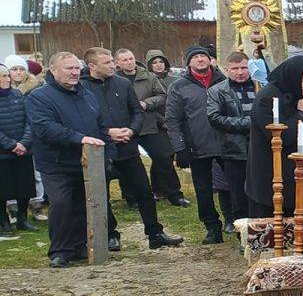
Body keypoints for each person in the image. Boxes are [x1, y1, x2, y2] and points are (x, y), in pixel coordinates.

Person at [82, 46, 183, 251]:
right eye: (107, 62)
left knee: (144, 191)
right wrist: (108, 132)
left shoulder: (122, 84)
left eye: (112, 61)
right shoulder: (82, 88)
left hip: (127, 146)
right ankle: (110, 235)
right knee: (102, 195)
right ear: (92, 66)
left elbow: (137, 112)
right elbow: (83, 118)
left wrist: (131, 130)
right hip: (99, 148)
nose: (112, 65)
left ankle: (155, 233)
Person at [25, 53, 108, 267]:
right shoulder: (39, 97)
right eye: (68, 68)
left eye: (76, 68)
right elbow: (45, 128)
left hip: (86, 162)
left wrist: (108, 150)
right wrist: (79, 139)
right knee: (61, 204)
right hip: (56, 163)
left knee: (83, 204)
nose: (74, 73)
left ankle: (80, 245)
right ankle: (60, 251)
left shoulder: (86, 94)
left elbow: (99, 125)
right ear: (53, 70)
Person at [245, 55, 303, 220]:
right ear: (293, 76)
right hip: (274, 171)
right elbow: (278, 138)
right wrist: (302, 115)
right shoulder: (267, 97)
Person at [165, 45, 231, 244]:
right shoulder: (178, 87)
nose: (201, 59)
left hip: (227, 144)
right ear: (189, 62)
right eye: (196, 57)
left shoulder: (225, 81)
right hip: (197, 146)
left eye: (204, 56)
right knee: (203, 190)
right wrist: (180, 148)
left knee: (232, 186)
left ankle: (234, 220)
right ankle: (212, 227)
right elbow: (172, 119)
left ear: (210, 59)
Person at [113, 48, 184, 207]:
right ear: (117, 63)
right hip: (124, 127)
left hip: (148, 124)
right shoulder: (113, 80)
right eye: (124, 60)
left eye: (131, 58)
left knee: (164, 155)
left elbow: (163, 96)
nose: (129, 62)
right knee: (127, 162)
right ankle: (132, 197)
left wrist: (146, 103)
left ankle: (173, 193)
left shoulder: (148, 76)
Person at [207, 50, 261, 223]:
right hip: (234, 150)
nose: (240, 72)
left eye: (244, 67)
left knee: (261, 192)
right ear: (227, 69)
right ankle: (243, 234)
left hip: (261, 149)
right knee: (238, 195)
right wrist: (247, 124)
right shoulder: (217, 91)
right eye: (235, 68)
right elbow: (214, 118)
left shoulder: (261, 87)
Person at [0, 63, 37, 233]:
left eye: (7, 75)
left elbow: (28, 121)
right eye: (3, 76)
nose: (7, 79)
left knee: (25, 187)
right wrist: (12, 144)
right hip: (3, 153)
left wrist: (24, 142)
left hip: (23, 150)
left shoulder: (17, 95)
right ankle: (4, 222)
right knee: (3, 190)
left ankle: (22, 219)